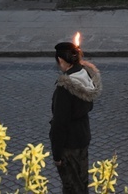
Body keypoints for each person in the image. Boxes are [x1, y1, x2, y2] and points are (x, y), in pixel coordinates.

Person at [50, 41, 102, 194]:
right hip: (83, 136)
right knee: (82, 181)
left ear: (60, 60)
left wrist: (57, 154)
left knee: (71, 186)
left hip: (69, 143)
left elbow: (60, 124)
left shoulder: (65, 88)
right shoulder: (86, 75)